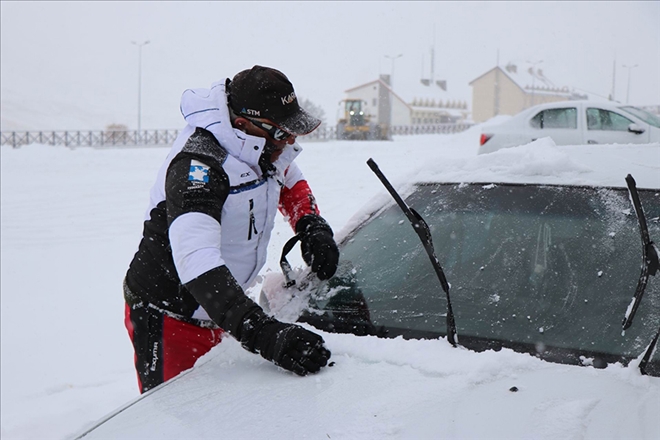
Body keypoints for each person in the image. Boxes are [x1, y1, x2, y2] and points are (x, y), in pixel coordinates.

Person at [123, 65, 339, 393]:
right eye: (283, 133)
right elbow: (198, 262)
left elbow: (289, 178)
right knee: (177, 419)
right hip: (170, 314)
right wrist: (263, 333)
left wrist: (311, 224)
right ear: (243, 124)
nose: (290, 142)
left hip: (224, 308)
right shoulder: (197, 169)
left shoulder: (263, 146)